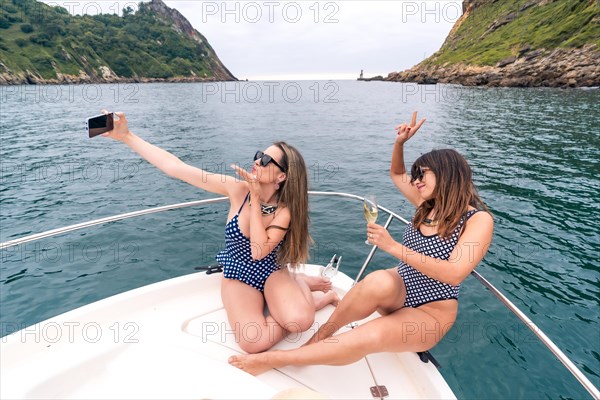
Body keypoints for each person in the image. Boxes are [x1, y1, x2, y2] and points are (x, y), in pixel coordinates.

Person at [228, 111, 494, 374]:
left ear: (447, 173)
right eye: (416, 176)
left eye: (422, 174)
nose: (415, 181)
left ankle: (281, 359)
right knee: (376, 280)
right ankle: (317, 340)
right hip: (399, 289)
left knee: (366, 338)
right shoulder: (428, 206)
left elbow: (455, 273)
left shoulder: (478, 220)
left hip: (430, 309)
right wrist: (400, 143)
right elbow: (397, 173)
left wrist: (393, 247)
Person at [102, 111, 339, 353]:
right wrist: (128, 137)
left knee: (299, 322)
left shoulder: (284, 211)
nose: (257, 161)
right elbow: (176, 168)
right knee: (252, 342)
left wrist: (256, 200)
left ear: (282, 176)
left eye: (266, 160)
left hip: (273, 272)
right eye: (259, 155)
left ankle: (301, 286)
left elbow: (259, 251)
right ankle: (305, 293)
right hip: (238, 273)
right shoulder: (236, 189)